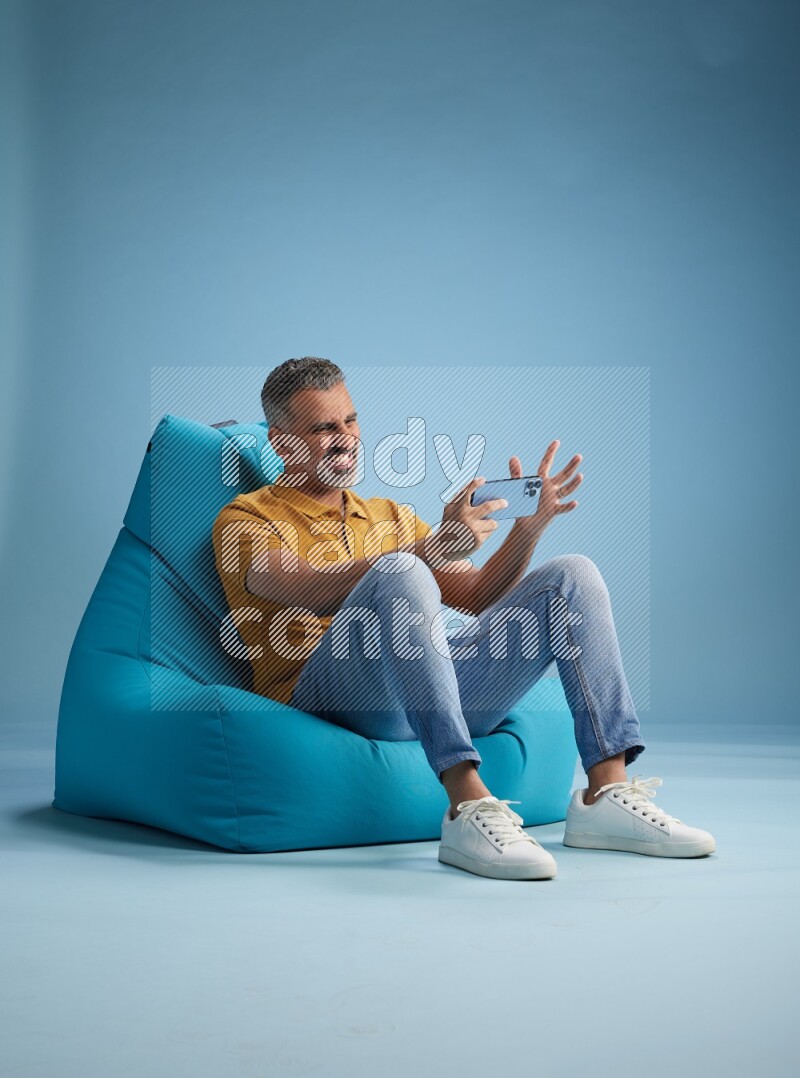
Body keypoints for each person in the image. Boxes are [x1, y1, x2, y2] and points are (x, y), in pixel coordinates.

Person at [212, 357, 715, 880]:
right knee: (402, 568)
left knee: (572, 576)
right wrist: (425, 552)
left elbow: (478, 597)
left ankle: (606, 792)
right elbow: (303, 589)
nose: (346, 438)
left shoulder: (389, 516)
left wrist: (528, 529)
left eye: (350, 421)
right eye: (323, 428)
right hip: (331, 696)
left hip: (425, 693)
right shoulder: (246, 518)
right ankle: (466, 804)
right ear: (281, 442)